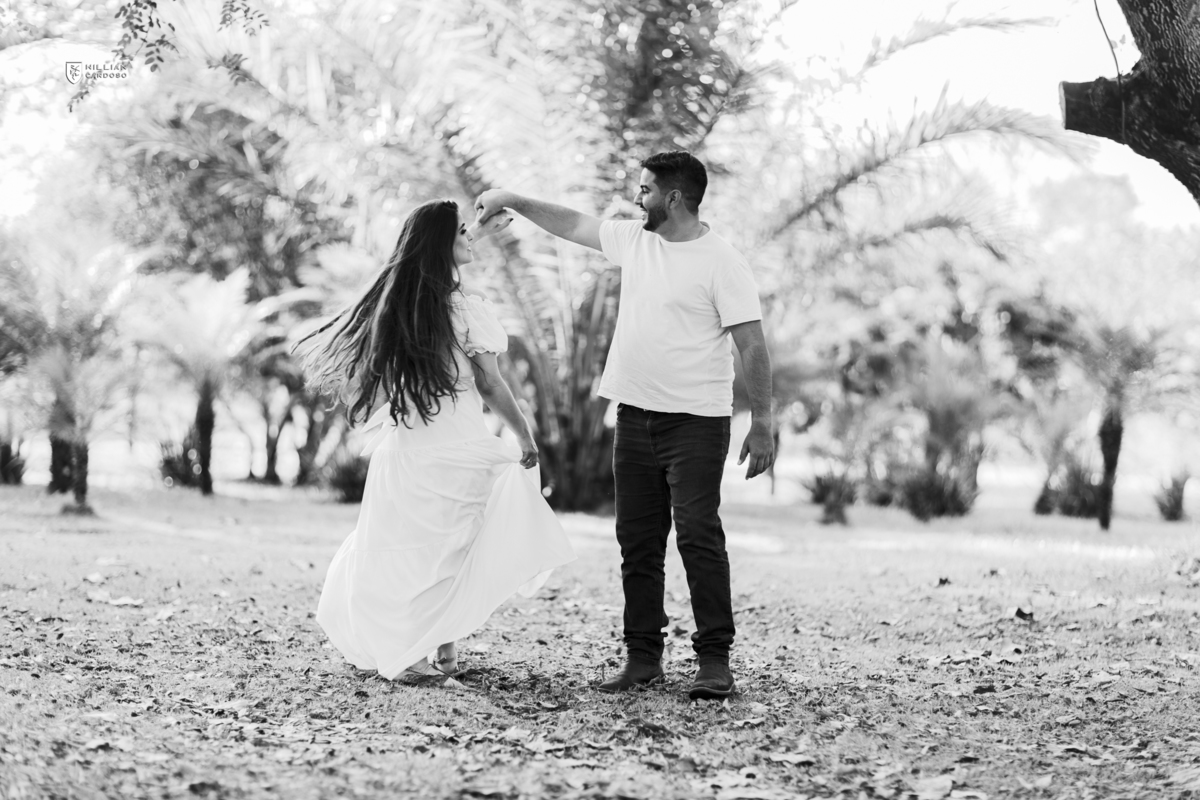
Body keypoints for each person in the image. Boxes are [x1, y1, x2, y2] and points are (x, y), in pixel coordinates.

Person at [474, 151, 774, 700]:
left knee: (698, 537)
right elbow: (571, 223)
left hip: (698, 424)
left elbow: (751, 342)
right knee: (636, 541)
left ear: (674, 198)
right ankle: (643, 659)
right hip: (634, 417)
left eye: (645, 191)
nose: (637, 199)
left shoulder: (721, 261)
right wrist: (512, 198)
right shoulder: (637, 241)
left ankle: (714, 662)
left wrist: (764, 420)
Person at [297, 199, 576, 682]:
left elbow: (375, 384)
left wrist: (477, 229)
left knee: (420, 550)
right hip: (457, 447)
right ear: (442, 245)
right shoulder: (464, 310)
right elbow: (490, 384)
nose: (471, 237)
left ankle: (438, 648)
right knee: (452, 549)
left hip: (407, 450)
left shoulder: (401, 310)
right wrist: (524, 435)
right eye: (463, 233)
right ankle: (412, 654)